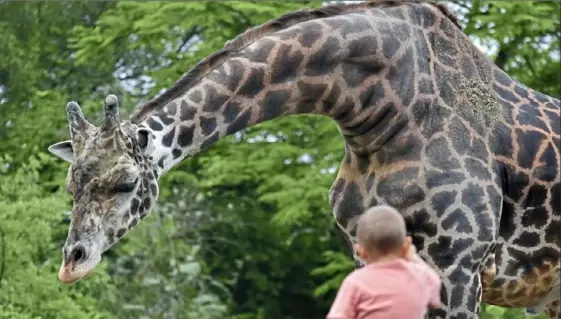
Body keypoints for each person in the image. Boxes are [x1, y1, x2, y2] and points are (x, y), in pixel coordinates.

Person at [326, 205, 442, 319]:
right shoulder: (419, 277)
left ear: (360, 251)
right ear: (406, 245)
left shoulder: (355, 283)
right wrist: (412, 256)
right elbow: (435, 285)